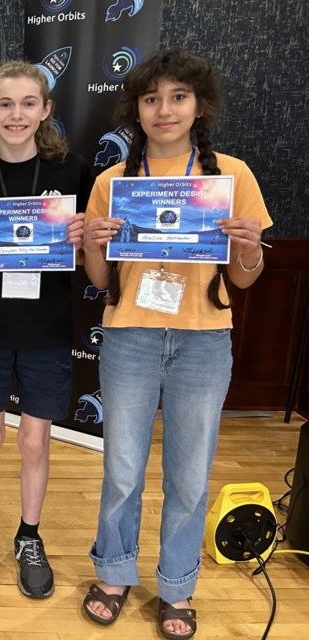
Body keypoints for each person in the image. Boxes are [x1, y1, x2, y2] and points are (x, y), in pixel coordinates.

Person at [81, 49, 271, 640]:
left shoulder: (231, 176)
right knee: (122, 468)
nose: (164, 110)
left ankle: (177, 586)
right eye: (151, 98)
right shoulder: (112, 182)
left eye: (177, 97)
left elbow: (244, 278)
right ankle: (114, 574)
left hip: (204, 341)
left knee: (190, 475)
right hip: (130, 335)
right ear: (135, 110)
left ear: (199, 106)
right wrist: (93, 240)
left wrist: (246, 246)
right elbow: (96, 278)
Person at [0, 61, 90, 599]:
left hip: (48, 328)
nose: (16, 114)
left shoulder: (74, 172)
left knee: (35, 438)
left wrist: (82, 240)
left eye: (28, 103)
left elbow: (84, 260)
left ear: (46, 110)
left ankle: (29, 535)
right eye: (5, 104)